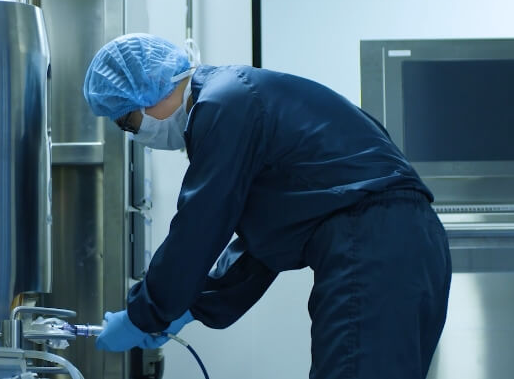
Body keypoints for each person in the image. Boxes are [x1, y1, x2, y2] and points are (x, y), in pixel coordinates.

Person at [82, 33, 451, 379]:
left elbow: (200, 223)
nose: (138, 134)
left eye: (129, 122)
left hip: (374, 243)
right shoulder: (241, 97)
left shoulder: (223, 104)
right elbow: (263, 243)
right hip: (405, 244)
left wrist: (143, 312)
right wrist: (189, 307)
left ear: (153, 86)